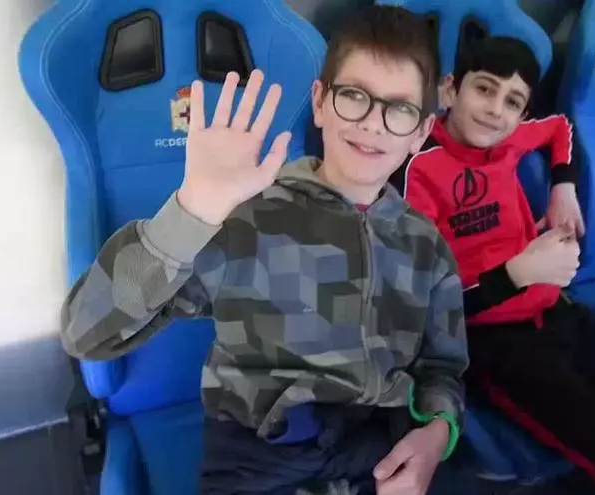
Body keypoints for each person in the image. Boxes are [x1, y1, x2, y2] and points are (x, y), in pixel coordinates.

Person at [60, 6, 468, 495]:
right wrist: (193, 211)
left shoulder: (426, 248)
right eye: (354, 96)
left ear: (421, 131)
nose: (373, 124)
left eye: (399, 109)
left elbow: (443, 369)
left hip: (378, 448)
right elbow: (86, 331)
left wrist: (437, 435)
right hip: (261, 457)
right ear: (319, 103)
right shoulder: (248, 220)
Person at [390, 35, 595, 492]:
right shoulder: (418, 169)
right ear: (451, 90)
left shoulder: (509, 140)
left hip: (560, 314)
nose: (496, 110)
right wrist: (521, 274)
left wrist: (562, 186)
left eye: (513, 102)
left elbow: (559, 127)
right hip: (495, 345)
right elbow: (433, 312)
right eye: (484, 89)